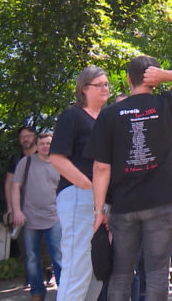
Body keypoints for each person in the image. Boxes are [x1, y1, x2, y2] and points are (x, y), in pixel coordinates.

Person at [86, 56, 172, 300]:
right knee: (157, 272)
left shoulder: (110, 114)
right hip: (162, 204)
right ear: (155, 78)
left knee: (120, 273)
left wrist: (99, 211)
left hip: (123, 205)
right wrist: (168, 76)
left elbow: (101, 167)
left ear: (129, 79)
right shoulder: (166, 104)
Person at [49, 65, 110, 301]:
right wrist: (86, 185)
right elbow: (56, 157)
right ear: (84, 89)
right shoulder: (72, 116)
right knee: (77, 269)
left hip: (101, 202)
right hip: (78, 197)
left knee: (96, 271)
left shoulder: (106, 118)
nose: (105, 88)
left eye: (107, 84)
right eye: (100, 84)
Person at [11, 132, 62, 301]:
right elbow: (15, 187)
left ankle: (64, 291)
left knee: (58, 256)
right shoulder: (26, 163)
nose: (45, 146)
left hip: (55, 217)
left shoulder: (60, 163)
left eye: (48, 143)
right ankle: (37, 292)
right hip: (29, 217)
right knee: (32, 257)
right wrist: (17, 211)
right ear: (36, 145)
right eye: (42, 144)